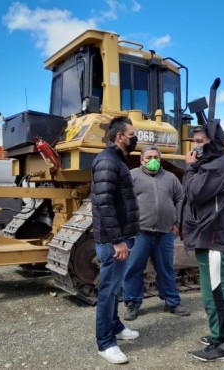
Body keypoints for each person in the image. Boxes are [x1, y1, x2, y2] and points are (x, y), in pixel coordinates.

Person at [181, 121, 224, 362]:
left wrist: (189, 168)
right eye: (194, 141)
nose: (195, 147)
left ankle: (221, 345)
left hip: (213, 236)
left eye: (199, 142)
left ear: (212, 142)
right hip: (210, 234)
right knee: (219, 288)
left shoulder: (218, 166)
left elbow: (193, 192)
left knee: (213, 291)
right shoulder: (216, 164)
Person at [91, 116, 141, 364]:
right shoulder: (108, 161)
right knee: (108, 291)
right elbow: (104, 202)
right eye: (132, 134)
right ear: (120, 136)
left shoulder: (117, 160)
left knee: (115, 288)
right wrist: (118, 240)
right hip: (113, 240)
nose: (135, 138)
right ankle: (105, 342)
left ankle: (116, 327)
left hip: (120, 236)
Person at [123, 145, 189, 320]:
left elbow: (180, 198)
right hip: (140, 233)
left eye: (156, 157)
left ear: (161, 159)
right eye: (148, 157)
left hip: (165, 233)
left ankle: (172, 302)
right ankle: (132, 303)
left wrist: (177, 222)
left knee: (166, 268)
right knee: (134, 268)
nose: (153, 160)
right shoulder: (132, 176)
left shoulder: (170, 177)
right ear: (141, 160)